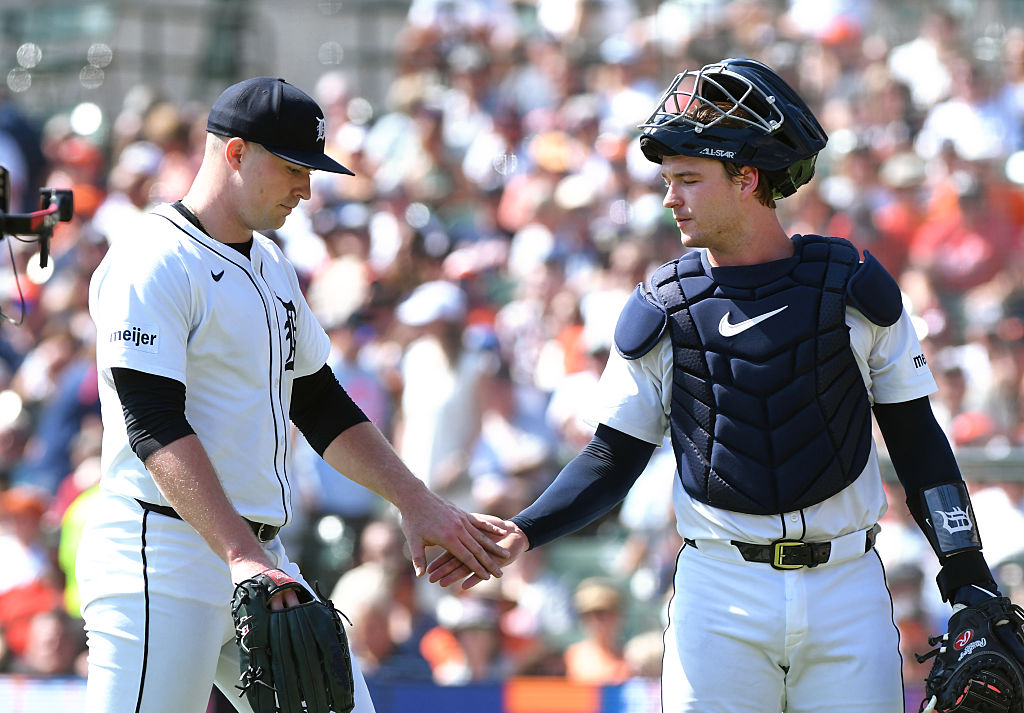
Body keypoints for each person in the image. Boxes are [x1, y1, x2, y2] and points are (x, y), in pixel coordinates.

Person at [428, 58, 1011, 712]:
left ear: (747, 178)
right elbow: (610, 456)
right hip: (720, 590)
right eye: (667, 180)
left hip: (847, 584)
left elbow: (917, 438)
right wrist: (524, 529)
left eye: (687, 179)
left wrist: (967, 573)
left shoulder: (853, 285)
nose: (669, 196)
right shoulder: (661, 305)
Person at [79, 76, 507, 713]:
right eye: (291, 168)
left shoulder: (271, 264)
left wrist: (415, 501)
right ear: (235, 153)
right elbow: (152, 424)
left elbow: (320, 403)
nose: (306, 188)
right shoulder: (153, 259)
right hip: (161, 553)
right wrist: (241, 555)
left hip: (258, 551)